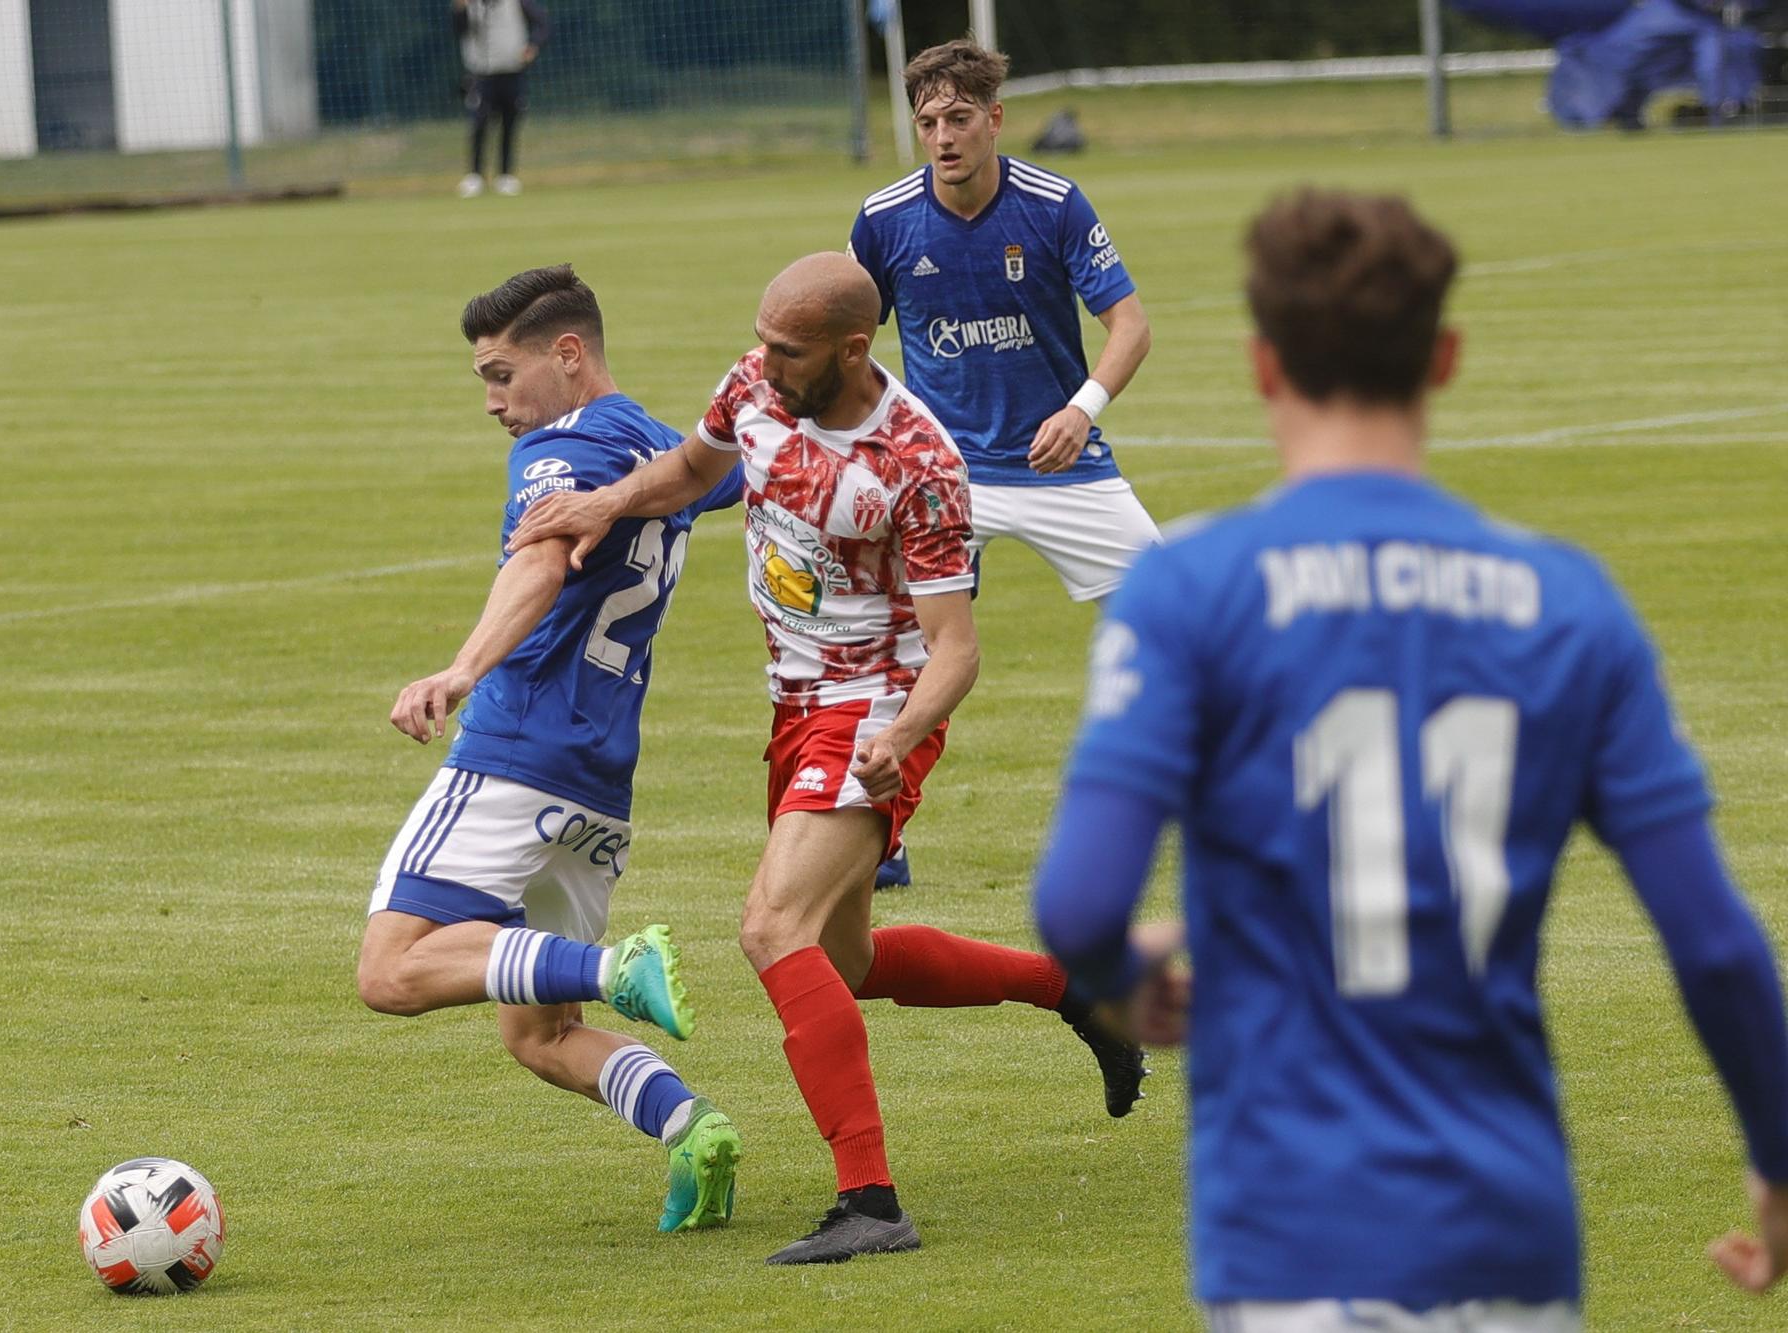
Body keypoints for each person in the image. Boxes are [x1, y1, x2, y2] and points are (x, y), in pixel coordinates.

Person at [1031, 189, 1788, 1329]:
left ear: (1260, 365)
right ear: (1442, 357)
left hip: (1287, 1230)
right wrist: (1775, 1158)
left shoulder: (1188, 590)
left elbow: (1079, 901)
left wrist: (1124, 974)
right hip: (1505, 1228)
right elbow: (1718, 947)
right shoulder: (1566, 603)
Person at [511, 252, 1148, 1265]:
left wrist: (897, 735)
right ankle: (1072, 990)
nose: (762, 363)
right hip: (795, 705)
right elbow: (689, 469)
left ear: (853, 348)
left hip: (876, 708)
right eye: (761, 339)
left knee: (771, 927)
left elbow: (956, 648)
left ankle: (869, 1199)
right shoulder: (754, 386)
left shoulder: (916, 462)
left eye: (786, 349)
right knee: (840, 961)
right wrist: (605, 502)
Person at [356, 264, 743, 1234]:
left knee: (391, 971)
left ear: (567, 356)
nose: (492, 402)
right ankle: (692, 1127)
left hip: (513, 754)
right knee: (536, 1033)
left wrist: (459, 670)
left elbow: (536, 560)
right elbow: (738, 469)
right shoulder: (667, 453)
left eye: (500, 373)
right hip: (600, 782)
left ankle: (617, 967)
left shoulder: (558, 447)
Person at [847, 38, 1159, 894]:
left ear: (995, 119)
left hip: (1064, 466)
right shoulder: (884, 220)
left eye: (957, 118)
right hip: (947, 476)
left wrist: (1079, 409)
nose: (942, 137)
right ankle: (880, 831)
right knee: (897, 648)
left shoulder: (1054, 205)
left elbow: (1129, 327)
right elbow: (846, 343)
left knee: (1178, 614)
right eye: (926, 122)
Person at [453, 0, 549, 197]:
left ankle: (506, 176)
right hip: (481, 75)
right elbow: (459, 30)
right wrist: (460, 9)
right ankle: (475, 176)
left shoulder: (516, 3)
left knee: (510, 123)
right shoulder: (468, 5)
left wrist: (533, 46)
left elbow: (543, 23)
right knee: (479, 123)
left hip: (512, 72)